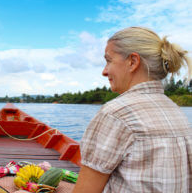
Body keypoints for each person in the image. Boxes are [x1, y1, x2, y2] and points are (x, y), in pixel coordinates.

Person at [72, 27, 192, 193]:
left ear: (133, 62)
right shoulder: (177, 112)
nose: (104, 71)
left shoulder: (116, 114)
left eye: (109, 61)